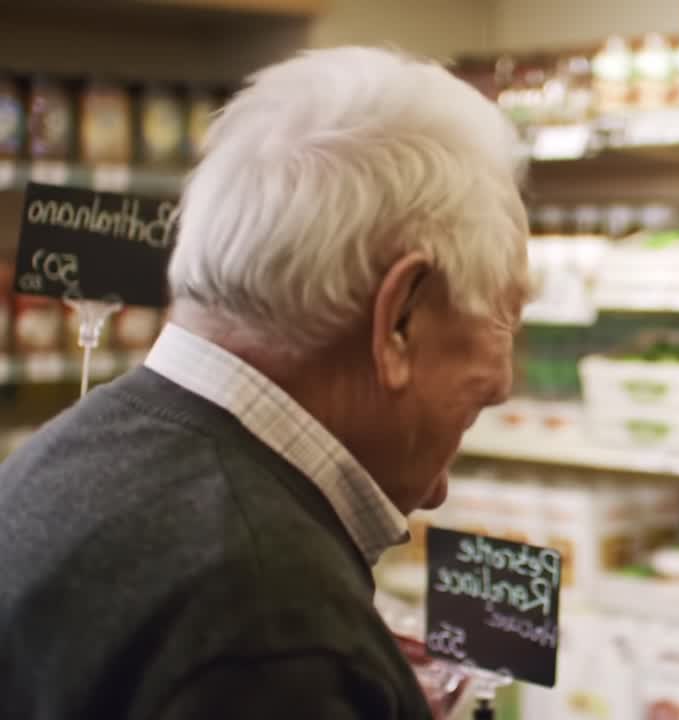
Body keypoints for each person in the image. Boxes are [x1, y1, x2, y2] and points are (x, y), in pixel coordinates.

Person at [0, 46, 529, 719]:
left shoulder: (69, 452)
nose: (504, 381)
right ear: (400, 317)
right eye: (503, 317)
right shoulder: (276, 622)